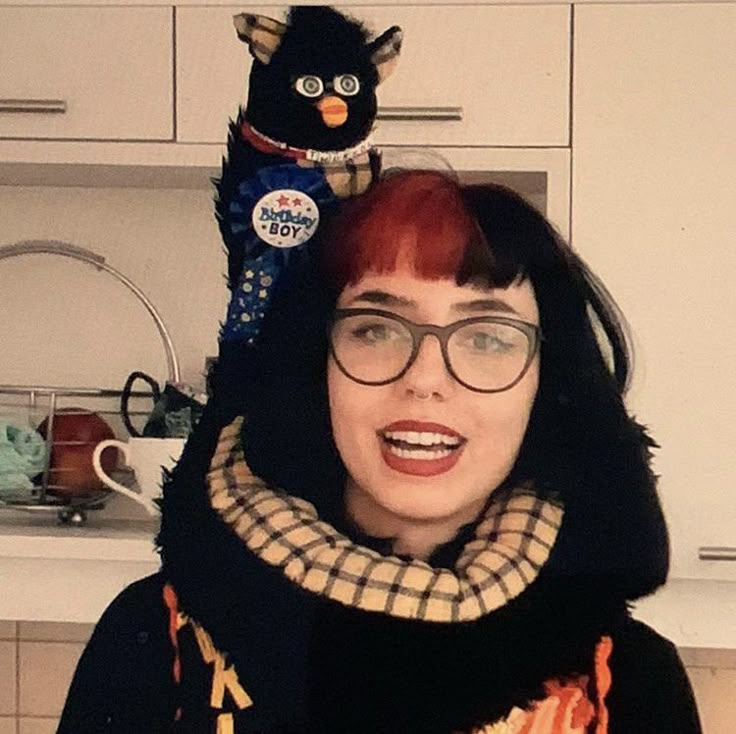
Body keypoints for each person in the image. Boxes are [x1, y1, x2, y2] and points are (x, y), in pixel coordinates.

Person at [58, 170, 702, 733]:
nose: (425, 377)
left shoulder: (625, 678)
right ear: (319, 369)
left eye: (486, 337)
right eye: (376, 328)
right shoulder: (158, 634)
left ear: (547, 384)